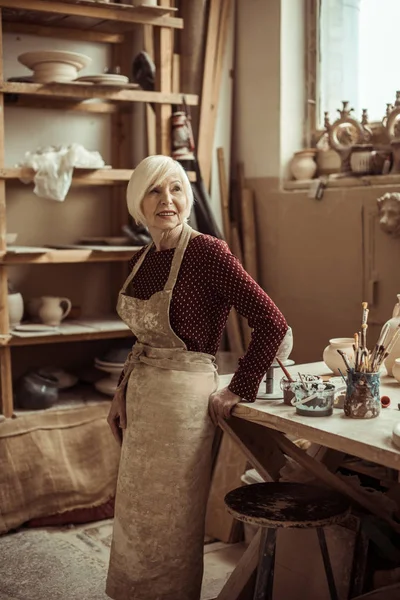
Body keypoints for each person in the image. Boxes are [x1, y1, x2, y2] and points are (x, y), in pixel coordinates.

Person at [106, 155, 289, 600]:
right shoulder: (142, 258)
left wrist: (237, 388)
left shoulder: (208, 252)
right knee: (135, 515)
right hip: (142, 397)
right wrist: (119, 394)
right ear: (138, 203)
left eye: (176, 189)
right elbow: (142, 340)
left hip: (184, 405)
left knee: (171, 521)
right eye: (154, 190)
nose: (167, 199)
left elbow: (273, 323)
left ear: (188, 199)